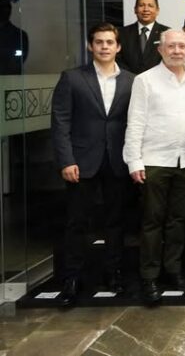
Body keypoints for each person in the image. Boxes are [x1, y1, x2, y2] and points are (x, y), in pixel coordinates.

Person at [51, 22, 134, 306]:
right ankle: (72, 278)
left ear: (118, 47)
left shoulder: (131, 81)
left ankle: (113, 273)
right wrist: (66, 160)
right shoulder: (72, 78)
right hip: (81, 162)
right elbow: (60, 121)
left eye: (110, 42)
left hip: (117, 161)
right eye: (99, 42)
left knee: (115, 222)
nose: (104, 47)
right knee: (77, 223)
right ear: (90, 46)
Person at [123, 29, 185, 304]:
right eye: (171, 46)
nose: (177, 51)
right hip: (154, 161)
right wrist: (134, 160)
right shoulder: (145, 81)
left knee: (178, 221)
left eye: (182, 46)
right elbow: (135, 121)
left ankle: (173, 270)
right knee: (152, 222)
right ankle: (149, 277)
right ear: (160, 49)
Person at [117, 0, 169, 74]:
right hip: (129, 82)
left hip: (158, 82)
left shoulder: (167, 32)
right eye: (141, 5)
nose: (146, 9)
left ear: (157, 10)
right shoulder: (122, 33)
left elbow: (169, 59)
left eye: (150, 6)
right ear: (135, 9)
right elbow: (118, 59)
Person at [0, 0, 28, 74]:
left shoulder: (19, 35)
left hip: (11, 82)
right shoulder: (20, 35)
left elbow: (16, 61)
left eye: (4, 9)